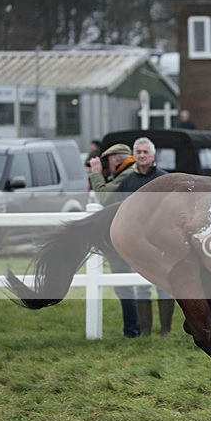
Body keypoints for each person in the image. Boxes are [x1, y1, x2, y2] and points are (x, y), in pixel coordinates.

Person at [117, 137, 175, 336]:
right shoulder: (127, 182)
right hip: (137, 244)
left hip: (162, 243)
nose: (142, 155)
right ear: (134, 156)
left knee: (164, 285)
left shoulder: (164, 180)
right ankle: (146, 333)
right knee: (141, 286)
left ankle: (166, 331)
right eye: (138, 152)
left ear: (153, 156)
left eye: (145, 152)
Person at [87, 143, 139, 337]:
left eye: (106, 161)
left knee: (124, 285)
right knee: (124, 285)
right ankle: (134, 329)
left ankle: (132, 331)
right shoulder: (123, 173)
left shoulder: (127, 174)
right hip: (126, 236)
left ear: (116, 159)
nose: (105, 165)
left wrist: (96, 174)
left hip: (125, 238)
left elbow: (104, 197)